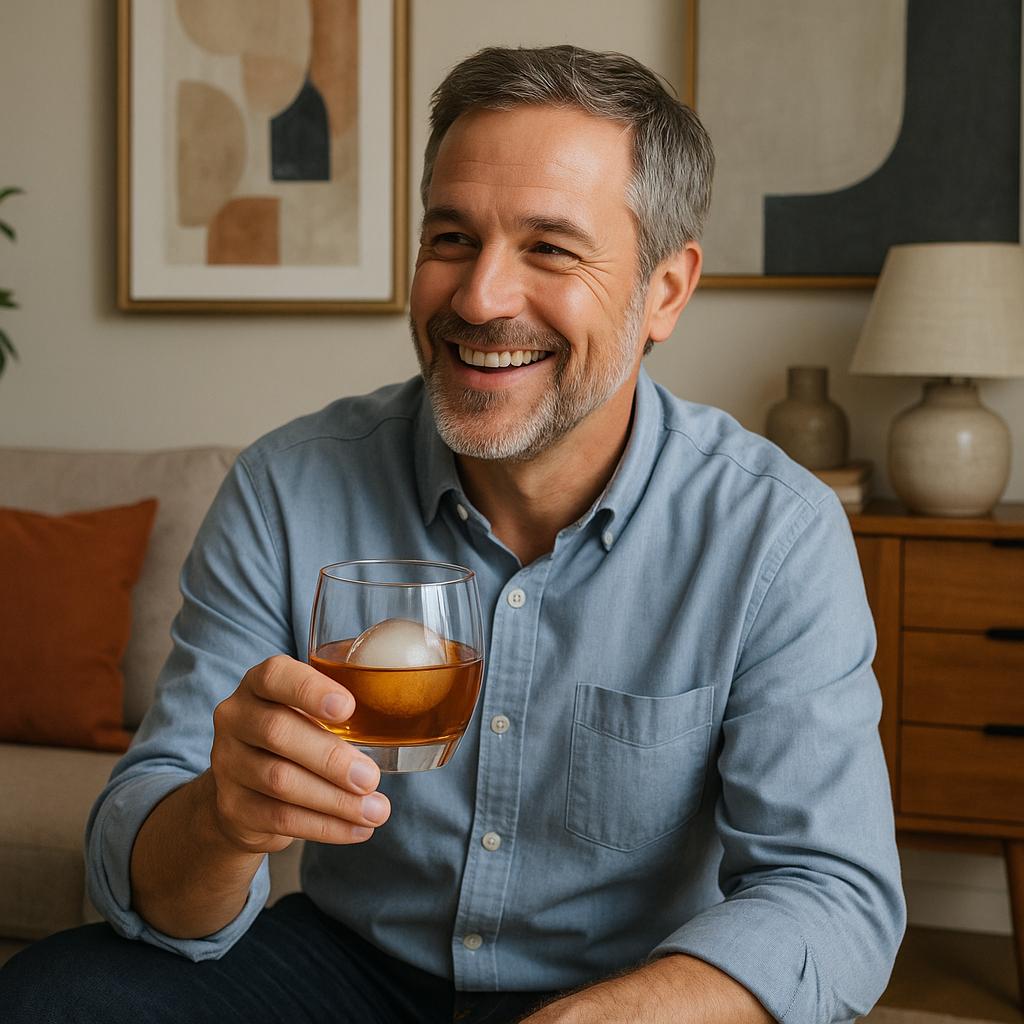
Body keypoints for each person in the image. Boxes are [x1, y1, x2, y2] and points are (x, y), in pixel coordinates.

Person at [0, 45, 904, 1024]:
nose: (478, 299)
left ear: (666, 291)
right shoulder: (286, 487)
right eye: (450, 237)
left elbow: (832, 894)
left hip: (630, 987)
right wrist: (223, 817)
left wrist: (609, 1016)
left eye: (550, 247)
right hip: (348, 964)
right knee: (53, 996)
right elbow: (151, 862)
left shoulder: (774, 534)